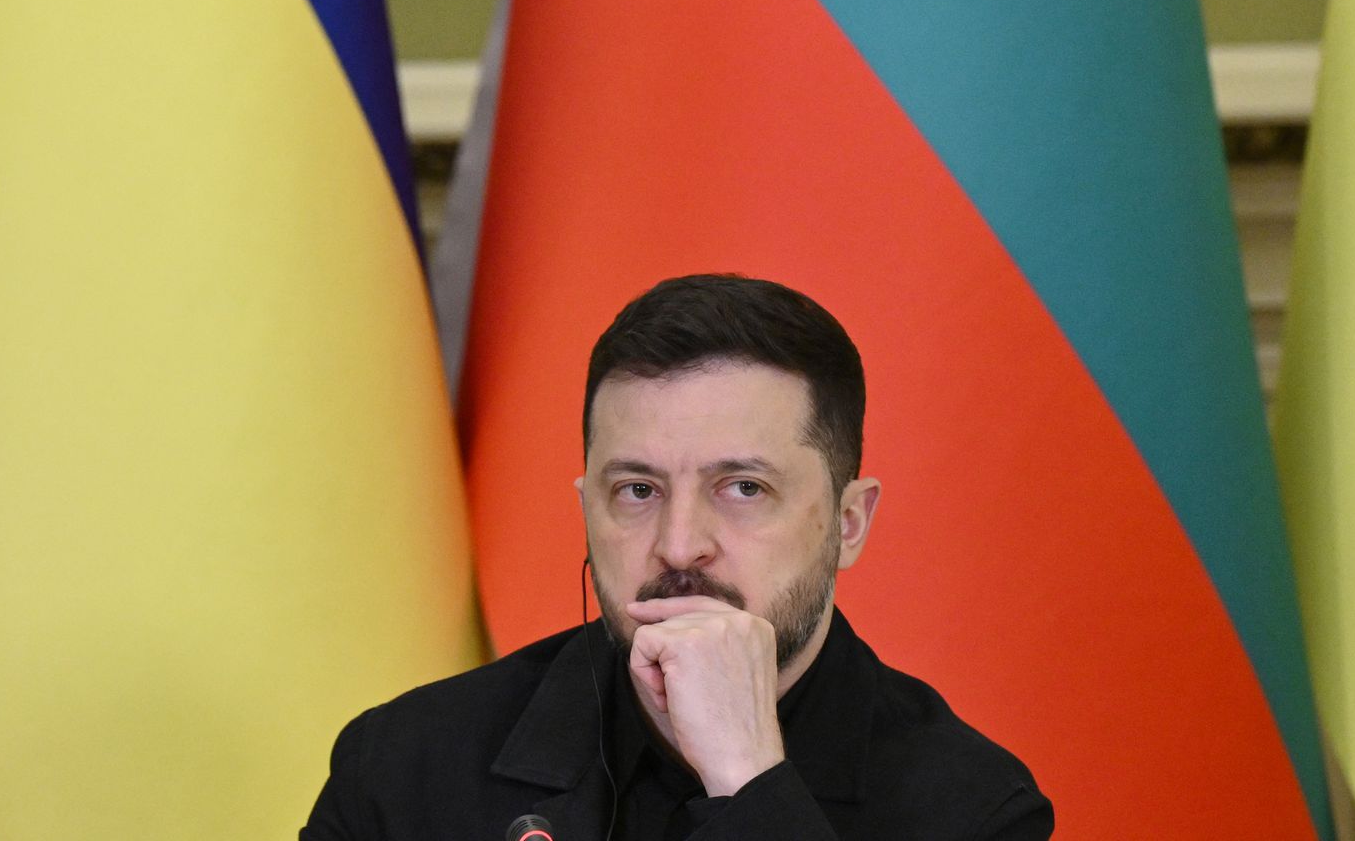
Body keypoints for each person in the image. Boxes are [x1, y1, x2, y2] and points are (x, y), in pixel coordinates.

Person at [301, 274, 1052, 840]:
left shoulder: (974, 811)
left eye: (744, 487)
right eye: (636, 490)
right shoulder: (404, 768)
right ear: (585, 506)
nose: (678, 543)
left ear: (849, 523)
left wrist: (750, 779)